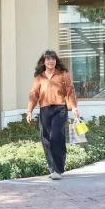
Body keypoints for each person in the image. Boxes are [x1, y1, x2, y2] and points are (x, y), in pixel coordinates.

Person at [26, 50, 78, 180]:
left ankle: (58, 169)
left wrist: (74, 107)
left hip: (60, 109)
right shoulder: (39, 77)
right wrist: (29, 110)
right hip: (45, 110)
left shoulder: (63, 74)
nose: (51, 61)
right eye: (48, 59)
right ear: (44, 62)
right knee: (46, 139)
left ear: (56, 61)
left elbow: (70, 91)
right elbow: (33, 94)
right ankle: (53, 168)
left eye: (53, 59)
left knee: (56, 137)